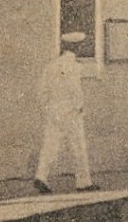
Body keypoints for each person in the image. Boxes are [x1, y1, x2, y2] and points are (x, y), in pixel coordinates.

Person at [33, 31, 98, 193]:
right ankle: (83, 182)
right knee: (78, 146)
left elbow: (42, 91)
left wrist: (47, 108)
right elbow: (74, 88)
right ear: (77, 47)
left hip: (54, 110)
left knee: (50, 144)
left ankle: (41, 176)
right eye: (81, 46)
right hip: (70, 111)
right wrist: (79, 105)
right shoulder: (74, 66)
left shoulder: (51, 65)